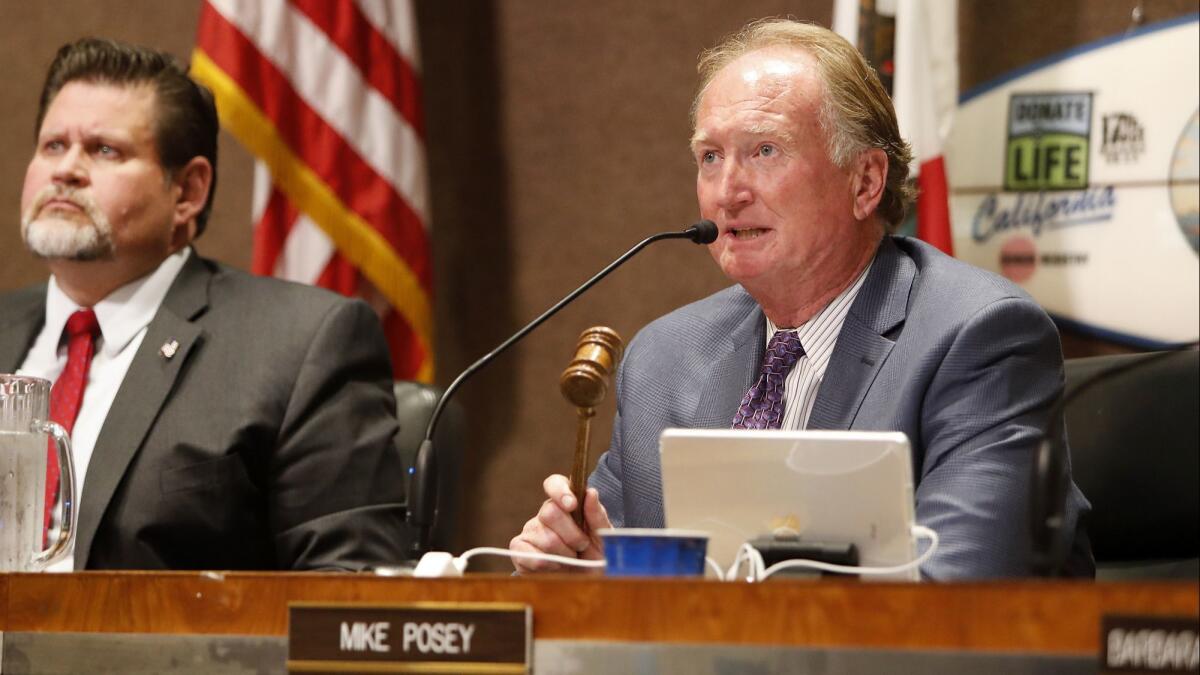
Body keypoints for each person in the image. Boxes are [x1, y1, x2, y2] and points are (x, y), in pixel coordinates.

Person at [509, 19, 1092, 579]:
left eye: (765, 151)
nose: (727, 193)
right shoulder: (665, 358)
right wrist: (584, 568)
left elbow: (957, 595)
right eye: (710, 157)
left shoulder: (978, 337)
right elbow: (624, 569)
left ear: (864, 182)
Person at [0, 37, 408, 570]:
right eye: (53, 145)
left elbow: (347, 591)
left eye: (105, 150)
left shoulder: (300, 345)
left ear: (187, 192)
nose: (66, 170)